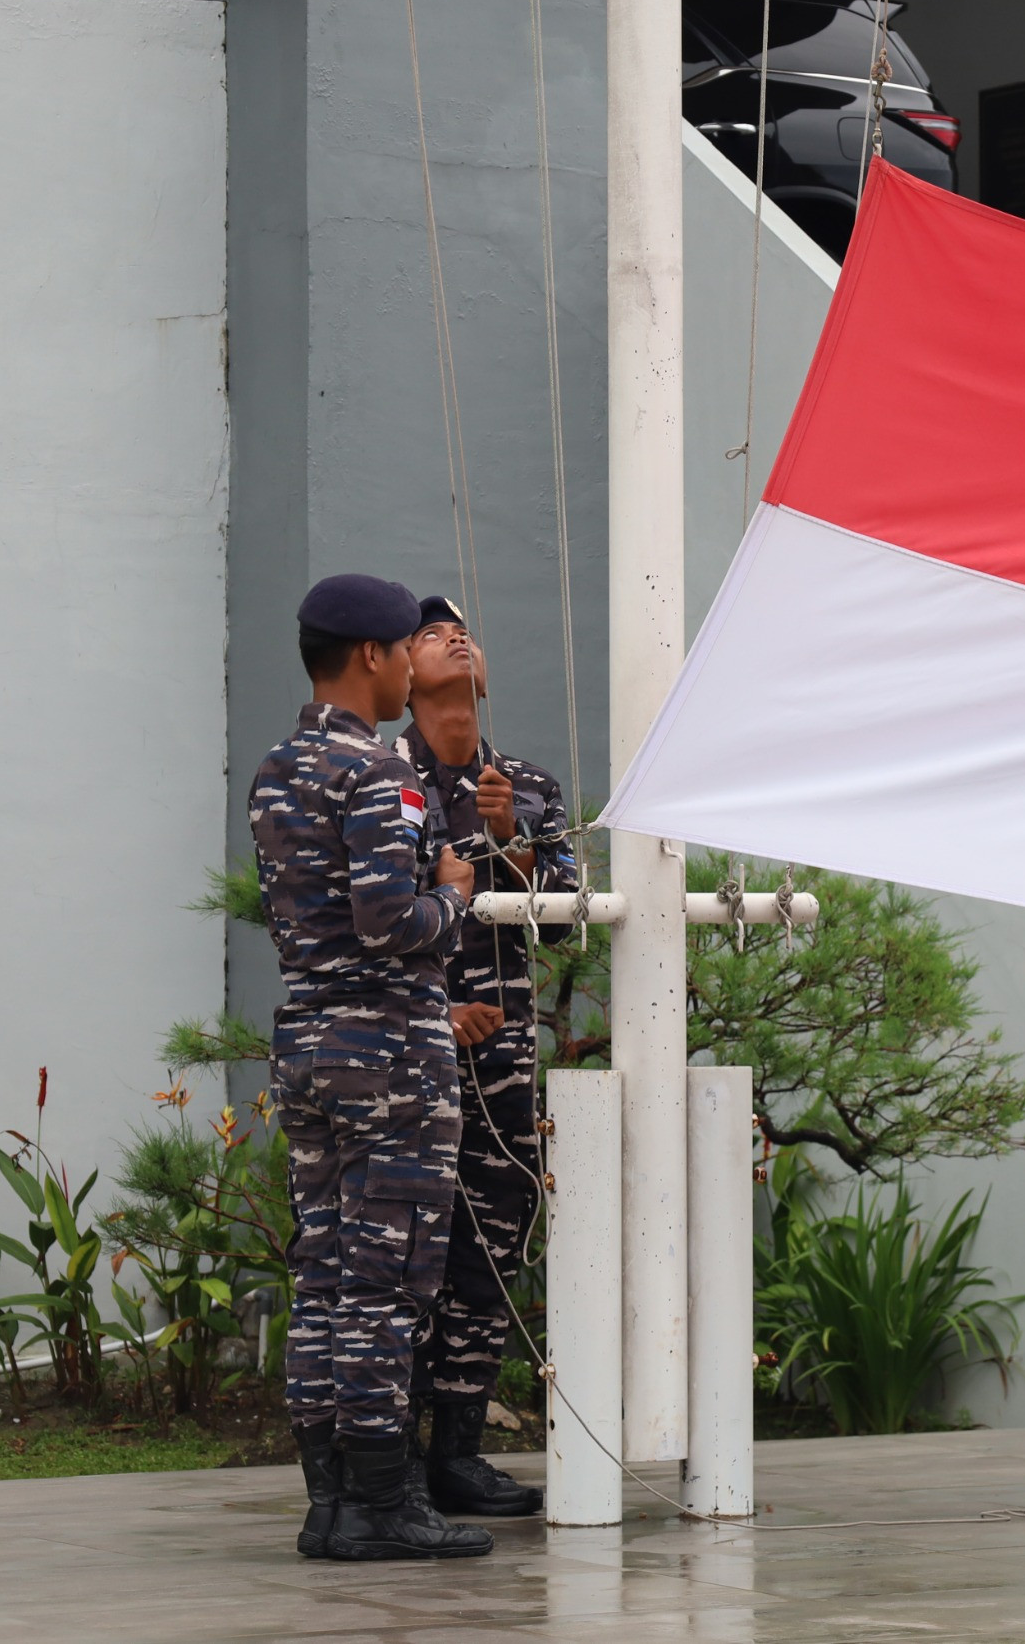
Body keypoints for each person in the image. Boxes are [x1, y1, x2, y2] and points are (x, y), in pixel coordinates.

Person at [251, 574, 491, 1562]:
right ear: (369, 657)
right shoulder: (380, 773)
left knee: (324, 1275)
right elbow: (391, 921)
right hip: (389, 1051)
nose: (404, 668)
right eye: (400, 650)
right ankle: (383, 1502)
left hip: (308, 1039)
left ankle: (330, 1503)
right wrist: (455, 892)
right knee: (387, 1283)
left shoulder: (277, 769)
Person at [395, 596, 576, 1518]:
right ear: (402, 674)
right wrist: (434, 1008)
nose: (455, 638)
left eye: (464, 630)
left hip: (503, 1067)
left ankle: (458, 1453)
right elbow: (361, 922)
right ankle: (390, 1458)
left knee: (491, 1249)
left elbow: (569, 909)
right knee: (403, 1250)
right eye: (430, 634)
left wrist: (512, 841)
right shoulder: (383, 777)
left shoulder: (527, 782)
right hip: (408, 1059)